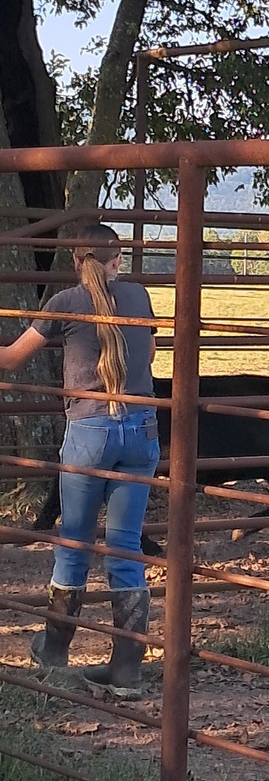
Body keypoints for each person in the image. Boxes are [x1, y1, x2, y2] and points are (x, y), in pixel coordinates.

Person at [0, 223, 159, 699]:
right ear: (117, 261)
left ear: (75, 262)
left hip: (90, 431)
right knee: (126, 547)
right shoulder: (139, 297)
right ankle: (127, 671)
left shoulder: (63, 303)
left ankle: (54, 653)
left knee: (74, 543)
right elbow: (148, 353)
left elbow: (10, 360)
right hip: (142, 430)